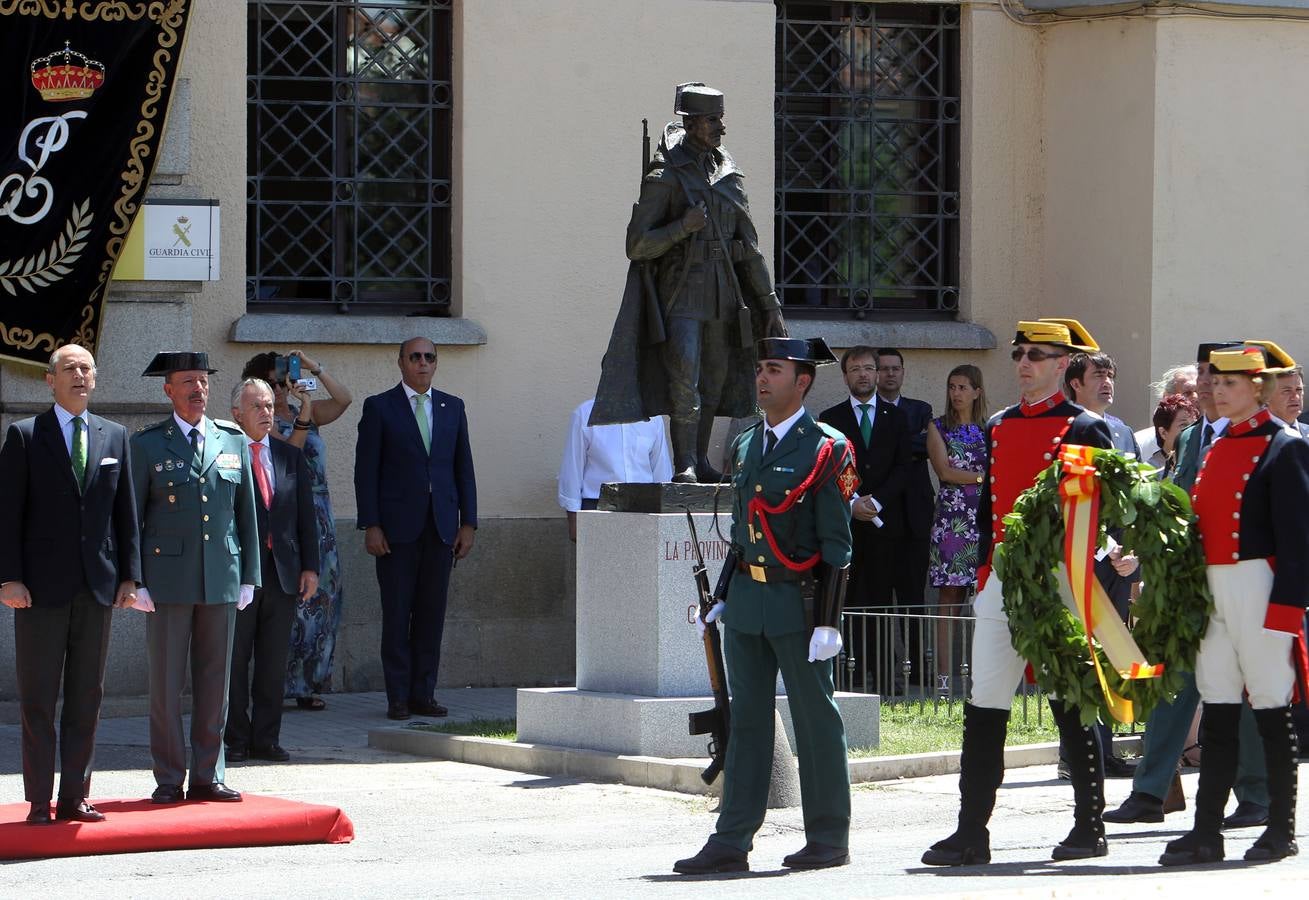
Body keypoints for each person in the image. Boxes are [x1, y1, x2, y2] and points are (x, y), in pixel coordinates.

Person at [921, 318, 1115, 867]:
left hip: (1057, 579)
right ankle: (970, 831)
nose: (1024, 363)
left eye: (1037, 354)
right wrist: (986, 570)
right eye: (1019, 354)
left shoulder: (1084, 427)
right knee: (984, 705)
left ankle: (1089, 825)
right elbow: (988, 511)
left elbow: (1092, 515)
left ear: (1062, 365)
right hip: (1002, 579)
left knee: (1069, 703)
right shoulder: (1000, 425)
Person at [673, 337, 856, 874]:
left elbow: (838, 544)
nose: (761, 378)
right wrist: (724, 596)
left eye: (773, 370)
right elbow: (741, 532)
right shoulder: (748, 443)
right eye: (759, 368)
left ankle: (827, 836)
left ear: (802, 382)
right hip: (749, 603)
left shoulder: (827, 447)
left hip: (797, 605)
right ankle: (732, 839)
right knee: (746, 721)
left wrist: (829, 620)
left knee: (815, 719)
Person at [1105, 341, 1268, 829]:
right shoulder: (1194, 436)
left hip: (1236, 585)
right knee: (1170, 686)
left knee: (1238, 692)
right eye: (1200, 373)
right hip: (1184, 588)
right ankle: (1151, 791)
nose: (1203, 383)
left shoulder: (1260, 438)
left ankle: (1257, 794)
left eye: (1212, 374)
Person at [1159, 341, 1309, 866]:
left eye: (1230, 384)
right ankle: (1206, 830)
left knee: (1270, 709)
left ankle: (1281, 828)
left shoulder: (1282, 444)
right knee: (1218, 709)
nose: (1218, 392)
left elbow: (1298, 539)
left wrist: (1287, 611)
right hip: (1213, 588)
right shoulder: (1217, 444)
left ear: (1258, 388)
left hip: (1259, 585)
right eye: (1215, 383)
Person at [591, 82, 787, 483]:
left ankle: (702, 459)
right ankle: (684, 465)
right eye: (713, 120)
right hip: (681, 292)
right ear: (693, 122)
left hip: (724, 291)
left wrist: (769, 304)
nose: (721, 127)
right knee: (685, 378)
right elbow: (638, 244)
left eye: (721, 118)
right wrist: (683, 226)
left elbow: (748, 246)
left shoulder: (728, 172)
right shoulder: (665, 175)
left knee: (714, 378)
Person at [0, 345, 140, 825]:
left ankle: (75, 795)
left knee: (87, 696)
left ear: (95, 380)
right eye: (70, 369)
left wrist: (130, 577)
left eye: (86, 369)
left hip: (97, 587)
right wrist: (9, 578)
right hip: (38, 590)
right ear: (50, 381)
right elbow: (7, 514)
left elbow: (127, 516)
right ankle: (39, 801)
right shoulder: (24, 436)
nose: (79, 375)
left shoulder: (115, 436)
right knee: (38, 698)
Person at [131, 351, 261, 804]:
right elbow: (132, 518)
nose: (198, 390)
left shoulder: (232, 440)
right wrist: (135, 580)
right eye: (188, 382)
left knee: (215, 682)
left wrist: (249, 576)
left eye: (203, 381)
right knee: (166, 685)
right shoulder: (147, 444)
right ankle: (169, 777)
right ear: (169, 390)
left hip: (221, 577)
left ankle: (208, 774)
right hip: (167, 581)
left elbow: (246, 516)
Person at [355, 337, 476, 721]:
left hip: (440, 528)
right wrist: (371, 524)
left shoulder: (452, 407)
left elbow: (463, 469)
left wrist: (468, 523)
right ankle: (398, 698)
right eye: (415, 357)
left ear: (436, 364)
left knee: (430, 614)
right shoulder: (380, 407)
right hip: (396, 531)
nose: (423, 363)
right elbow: (366, 472)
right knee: (397, 613)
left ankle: (424, 693)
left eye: (429, 358)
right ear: (401, 363)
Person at [241, 350, 351, 712]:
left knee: (325, 601)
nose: (282, 389)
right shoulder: (264, 420)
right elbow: (288, 455)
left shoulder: (306, 409)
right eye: (275, 382)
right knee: (292, 604)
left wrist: (313, 367)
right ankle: (283, 684)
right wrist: (302, 415)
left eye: (284, 380)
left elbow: (344, 399)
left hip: (320, 513)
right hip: (288, 515)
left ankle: (312, 683)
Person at [224, 379, 320, 763]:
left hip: (282, 573)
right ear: (237, 415)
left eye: (269, 406)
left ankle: (267, 738)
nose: (267, 413)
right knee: (234, 661)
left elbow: (305, 517)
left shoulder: (288, 456)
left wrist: (310, 567)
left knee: (272, 661)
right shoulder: (225, 456)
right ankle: (236, 739)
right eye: (257, 408)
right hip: (241, 574)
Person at [1061, 351, 1142, 777]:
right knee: (1082, 655)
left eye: (1111, 374)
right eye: (1098, 375)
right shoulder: (1072, 428)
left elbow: (1130, 497)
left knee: (1112, 654)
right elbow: (1079, 500)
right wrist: (1104, 546)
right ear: (1075, 382)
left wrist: (1132, 554)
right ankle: (1076, 754)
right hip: (1082, 556)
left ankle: (1104, 749)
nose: (1108, 381)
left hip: (1117, 560)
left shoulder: (1123, 431)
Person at [817, 346, 910, 690]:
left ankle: (884, 674)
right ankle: (848, 673)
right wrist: (853, 501)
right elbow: (829, 466)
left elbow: (904, 467)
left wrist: (879, 501)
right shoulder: (830, 419)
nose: (863, 375)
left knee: (881, 601)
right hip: (847, 524)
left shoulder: (897, 417)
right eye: (855, 369)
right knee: (848, 598)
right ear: (845, 376)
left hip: (885, 526)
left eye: (868, 368)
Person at [924, 364, 987, 672]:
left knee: (987, 592)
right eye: (952, 387)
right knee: (951, 593)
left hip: (984, 517)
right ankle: (944, 676)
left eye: (963, 387)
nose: (957, 393)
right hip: (953, 519)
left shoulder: (990, 429)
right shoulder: (939, 427)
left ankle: (983, 673)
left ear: (977, 392)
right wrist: (982, 479)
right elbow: (945, 472)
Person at [557, 397, 672, 541]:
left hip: (643, 509)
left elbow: (661, 469)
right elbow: (572, 468)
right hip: (597, 507)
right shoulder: (585, 413)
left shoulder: (652, 417)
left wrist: (666, 516)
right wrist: (573, 520)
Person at [874, 348, 934, 610]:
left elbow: (928, 447)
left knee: (914, 598)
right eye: (884, 368)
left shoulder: (921, 409)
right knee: (877, 597)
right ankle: (879, 653)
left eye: (895, 368)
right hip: (878, 514)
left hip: (915, 515)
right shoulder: (866, 412)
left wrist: (885, 448)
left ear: (903, 373)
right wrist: (908, 444)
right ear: (876, 373)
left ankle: (917, 653)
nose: (890, 374)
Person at [1135, 363, 1198, 461]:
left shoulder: (1216, 439)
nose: (1196, 398)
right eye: (1187, 393)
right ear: (1167, 398)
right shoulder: (1140, 444)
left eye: (1199, 391)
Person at [1148, 394, 1199, 477]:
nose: (1191, 430)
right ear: (1163, 433)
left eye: (1194, 424)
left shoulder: (1201, 464)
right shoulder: (1149, 473)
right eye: (1183, 425)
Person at [1267, 365, 1308, 437]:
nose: (1296, 397)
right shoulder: (1259, 436)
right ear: (1267, 396)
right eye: (1287, 391)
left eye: (1299, 389)